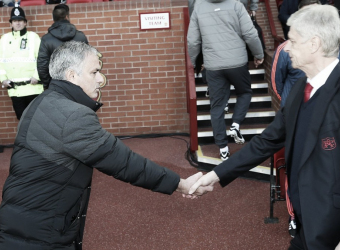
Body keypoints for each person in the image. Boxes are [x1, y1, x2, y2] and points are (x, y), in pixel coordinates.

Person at [190, 5, 340, 250]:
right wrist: (214, 176)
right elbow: (266, 141)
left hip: (338, 234)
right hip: (305, 227)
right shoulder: (301, 87)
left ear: (314, 44)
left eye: (292, 40)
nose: (286, 47)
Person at [0, 41, 209, 250]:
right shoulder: (73, 116)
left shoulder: (41, 101)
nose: (101, 80)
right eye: (94, 72)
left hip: (21, 222)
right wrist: (180, 183)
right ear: (72, 76)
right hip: (40, 234)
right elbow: (125, 163)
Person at [187, 0, 264, 161]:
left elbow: (193, 41)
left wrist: (194, 63)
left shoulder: (199, 6)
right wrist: (258, 54)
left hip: (213, 66)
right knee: (245, 92)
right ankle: (236, 124)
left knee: (217, 108)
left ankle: (223, 148)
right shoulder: (236, 5)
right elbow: (250, 33)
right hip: (237, 62)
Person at [0, 6, 43, 120]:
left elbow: (42, 59)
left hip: (33, 88)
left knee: (37, 120)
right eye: (15, 21)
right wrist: (3, 79)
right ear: (11, 23)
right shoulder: (4, 39)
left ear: (25, 23)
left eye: (20, 20)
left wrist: (37, 76)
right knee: (22, 120)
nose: (17, 23)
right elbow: (1, 62)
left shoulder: (33, 37)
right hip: (15, 91)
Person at [38, 4, 88, 90]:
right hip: (78, 84)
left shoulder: (46, 39)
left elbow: (42, 66)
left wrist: (48, 85)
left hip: (57, 86)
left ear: (53, 18)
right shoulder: (80, 37)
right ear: (67, 17)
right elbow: (87, 61)